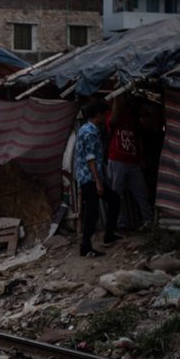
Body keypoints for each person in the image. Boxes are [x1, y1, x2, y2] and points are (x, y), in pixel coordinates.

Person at [75, 101, 120, 258]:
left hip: (90, 178)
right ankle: (85, 248)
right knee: (92, 214)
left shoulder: (86, 129)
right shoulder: (90, 132)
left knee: (114, 200)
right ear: (98, 116)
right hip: (90, 179)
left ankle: (108, 236)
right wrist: (98, 182)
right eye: (103, 115)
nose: (105, 117)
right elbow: (90, 159)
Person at [107, 96, 153, 231]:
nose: (124, 101)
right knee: (117, 195)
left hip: (133, 161)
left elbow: (138, 137)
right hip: (117, 160)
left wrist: (141, 158)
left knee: (142, 193)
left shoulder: (132, 116)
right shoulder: (111, 114)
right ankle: (120, 225)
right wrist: (116, 99)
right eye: (122, 98)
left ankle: (149, 221)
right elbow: (112, 121)